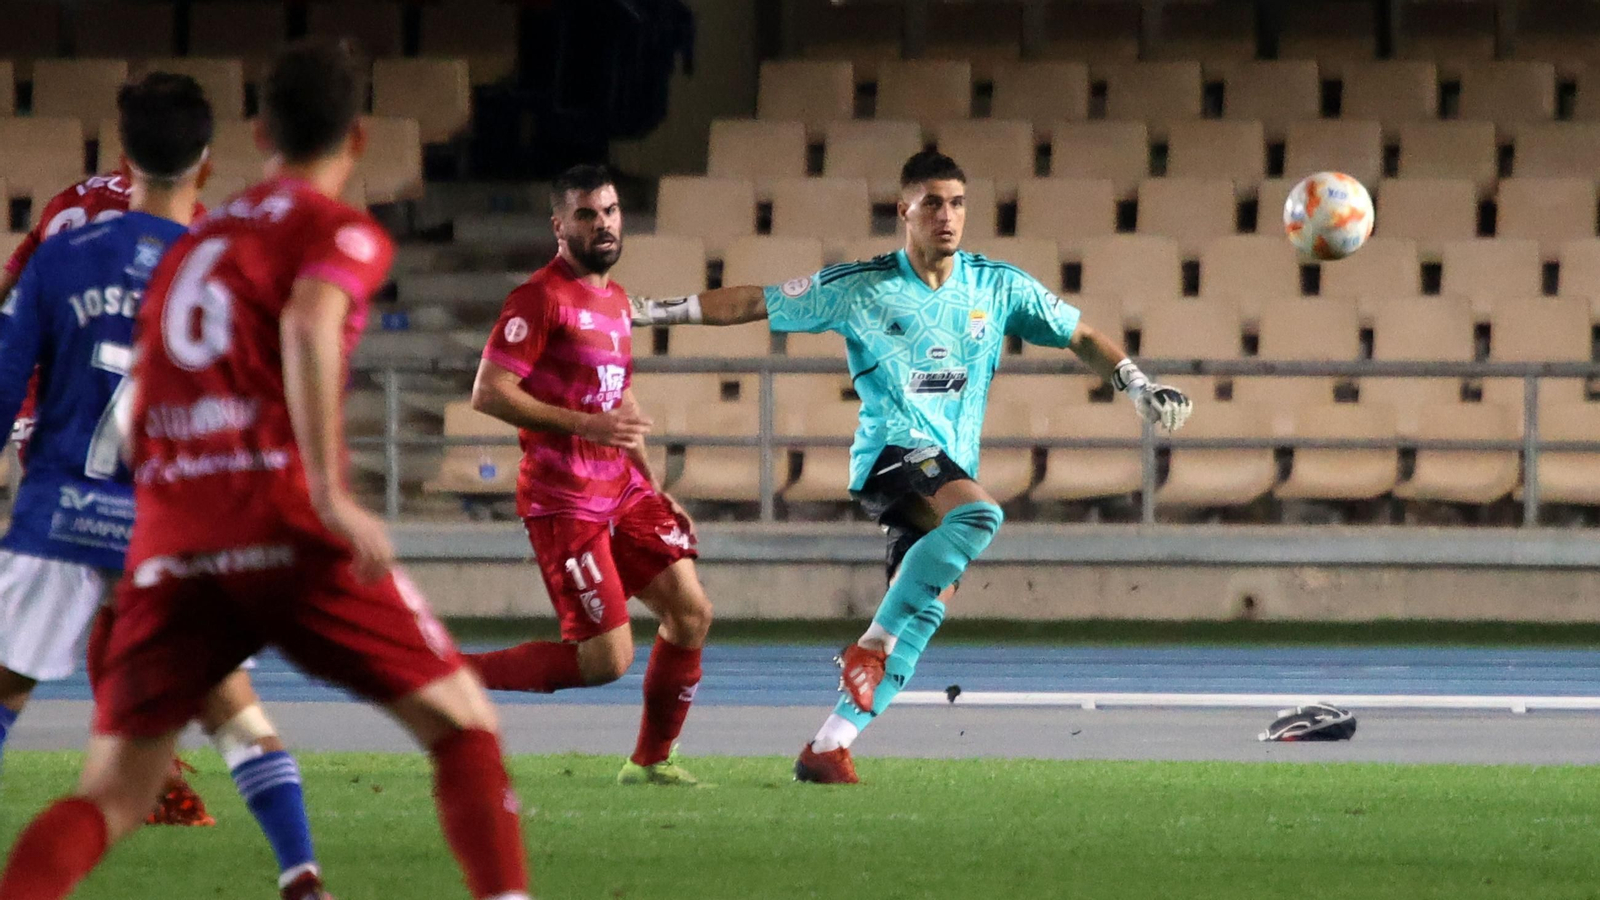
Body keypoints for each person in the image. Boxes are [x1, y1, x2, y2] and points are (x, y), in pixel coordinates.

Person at [0, 40, 532, 900]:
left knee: (109, 794)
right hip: (280, 518)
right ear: (357, 140)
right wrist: (329, 493)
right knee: (462, 725)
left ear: (258, 131)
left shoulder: (189, 249)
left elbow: (144, 407)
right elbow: (313, 322)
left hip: (169, 541)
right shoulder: (332, 229)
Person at [631, 149, 1195, 784]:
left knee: (926, 607)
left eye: (956, 203)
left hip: (946, 460)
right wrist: (652, 311)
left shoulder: (996, 285)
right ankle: (866, 648)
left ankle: (828, 745)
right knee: (980, 514)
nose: (946, 216)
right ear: (905, 210)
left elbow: (1080, 334)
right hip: (893, 454)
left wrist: (1137, 385)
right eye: (932, 203)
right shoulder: (862, 287)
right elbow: (755, 302)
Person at [0, 72, 333, 897]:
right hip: (171, 520)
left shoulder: (63, 246)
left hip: (64, 503)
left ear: (121, 149)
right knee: (232, 705)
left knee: (4, 689)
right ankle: (300, 872)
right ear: (208, 161)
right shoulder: (226, 265)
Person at [464, 164, 713, 786]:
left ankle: (652, 762)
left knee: (692, 614)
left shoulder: (618, 300)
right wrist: (582, 424)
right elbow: (488, 393)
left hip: (622, 488)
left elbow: (620, 406)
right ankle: (448, 673)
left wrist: (656, 487)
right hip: (565, 498)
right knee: (605, 662)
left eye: (610, 211)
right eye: (586, 214)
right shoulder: (538, 298)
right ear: (559, 225)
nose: (602, 224)